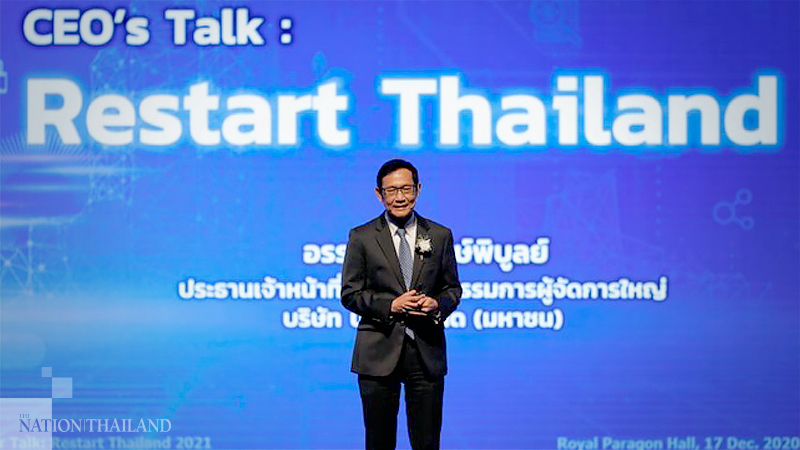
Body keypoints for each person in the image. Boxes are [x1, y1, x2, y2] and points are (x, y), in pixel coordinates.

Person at [341, 159, 462, 450]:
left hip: (426, 351)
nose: (400, 197)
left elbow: (452, 289)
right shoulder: (362, 237)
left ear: (418, 189)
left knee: (427, 442)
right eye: (392, 190)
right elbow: (350, 293)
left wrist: (436, 304)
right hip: (378, 352)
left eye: (406, 189)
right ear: (379, 194)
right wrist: (391, 306)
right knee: (379, 442)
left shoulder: (439, 235)